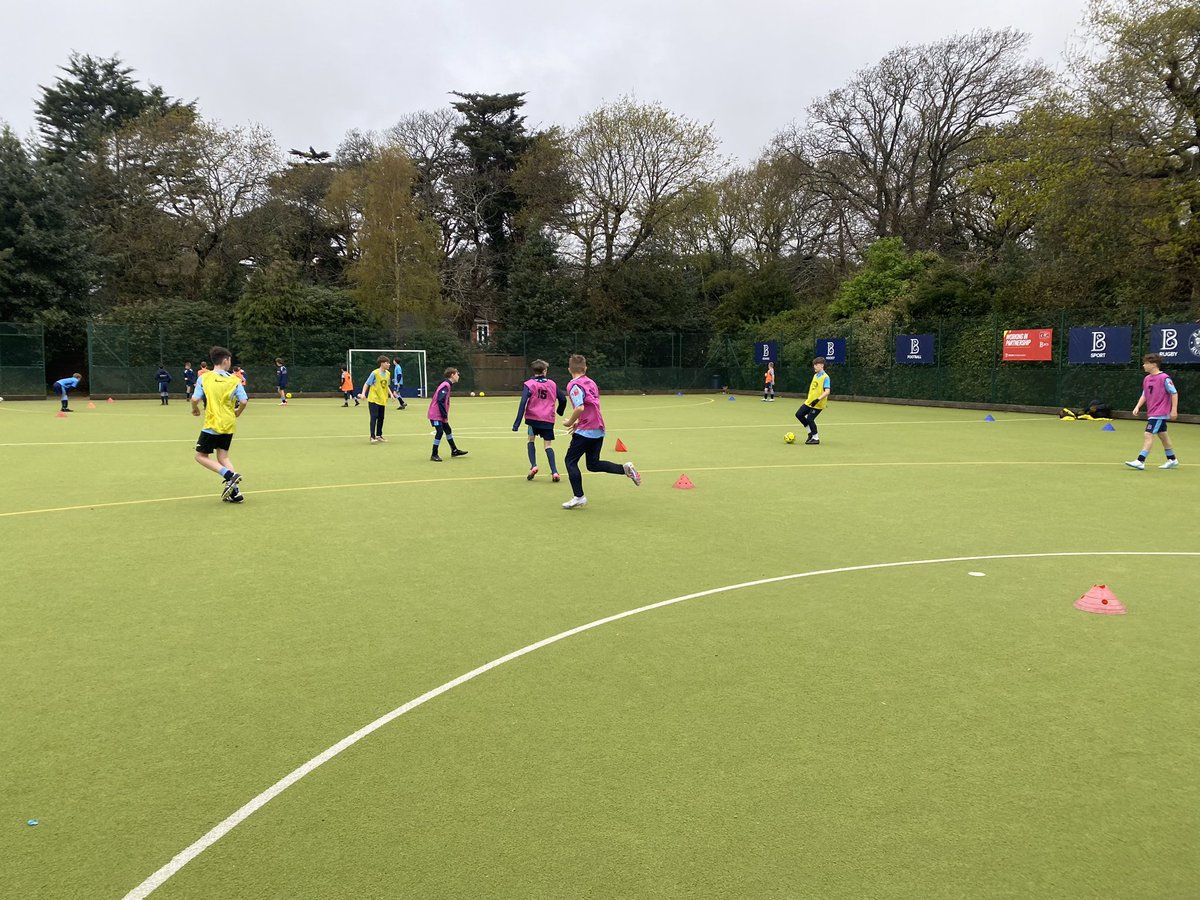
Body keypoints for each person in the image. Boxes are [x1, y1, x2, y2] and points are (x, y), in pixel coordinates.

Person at [560, 354, 640, 509]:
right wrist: (579, 421)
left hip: (586, 431)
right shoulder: (591, 382)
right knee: (593, 464)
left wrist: (570, 421)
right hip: (598, 428)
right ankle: (624, 469)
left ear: (569, 369)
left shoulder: (573, 385)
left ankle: (579, 497)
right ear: (585, 368)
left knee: (570, 461)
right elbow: (591, 406)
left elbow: (580, 407)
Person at [191, 346, 248, 503]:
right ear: (225, 360)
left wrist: (194, 409)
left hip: (212, 424)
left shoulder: (205, 378)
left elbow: (195, 399)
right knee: (223, 456)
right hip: (229, 423)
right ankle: (235, 493)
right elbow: (243, 401)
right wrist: (237, 412)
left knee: (200, 456)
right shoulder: (234, 380)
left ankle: (229, 475)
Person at [512, 359, 567, 482]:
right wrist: (560, 411)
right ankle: (555, 472)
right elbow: (563, 399)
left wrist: (517, 423)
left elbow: (522, 403)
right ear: (545, 371)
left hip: (533, 419)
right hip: (548, 420)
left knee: (531, 440)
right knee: (548, 445)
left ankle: (534, 465)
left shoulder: (529, 384)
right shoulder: (552, 384)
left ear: (534, 371)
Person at [1126, 353, 1180, 470]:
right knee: (1163, 435)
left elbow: (1174, 393)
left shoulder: (1164, 378)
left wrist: (1174, 410)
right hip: (1153, 412)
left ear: (1154, 365)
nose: (1143, 365)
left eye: (1146, 363)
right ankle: (1172, 459)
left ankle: (1140, 460)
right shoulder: (1147, 379)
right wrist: (1137, 406)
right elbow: (1144, 394)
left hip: (1160, 413)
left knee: (1148, 434)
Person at [428, 367, 467, 461]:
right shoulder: (446, 385)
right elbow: (440, 400)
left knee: (448, 429)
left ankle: (454, 450)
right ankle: (434, 454)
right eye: (457, 374)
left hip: (440, 413)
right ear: (452, 375)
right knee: (440, 432)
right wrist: (444, 414)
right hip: (436, 414)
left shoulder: (447, 385)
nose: (458, 376)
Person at [794, 357, 830, 445]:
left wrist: (818, 399)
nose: (814, 366)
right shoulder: (815, 375)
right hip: (810, 402)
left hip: (818, 404)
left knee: (810, 419)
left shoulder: (826, 377)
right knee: (799, 414)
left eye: (816, 365)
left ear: (821, 365)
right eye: (814, 365)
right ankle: (810, 433)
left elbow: (827, 391)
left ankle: (816, 438)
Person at [358, 356, 392, 443]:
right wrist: (363, 393)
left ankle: (379, 435)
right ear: (382, 363)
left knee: (381, 418)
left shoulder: (388, 374)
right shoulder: (375, 373)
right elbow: (367, 384)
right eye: (387, 363)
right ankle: (372, 436)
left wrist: (391, 394)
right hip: (373, 399)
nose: (389, 364)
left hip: (382, 399)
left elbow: (386, 385)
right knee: (374, 417)